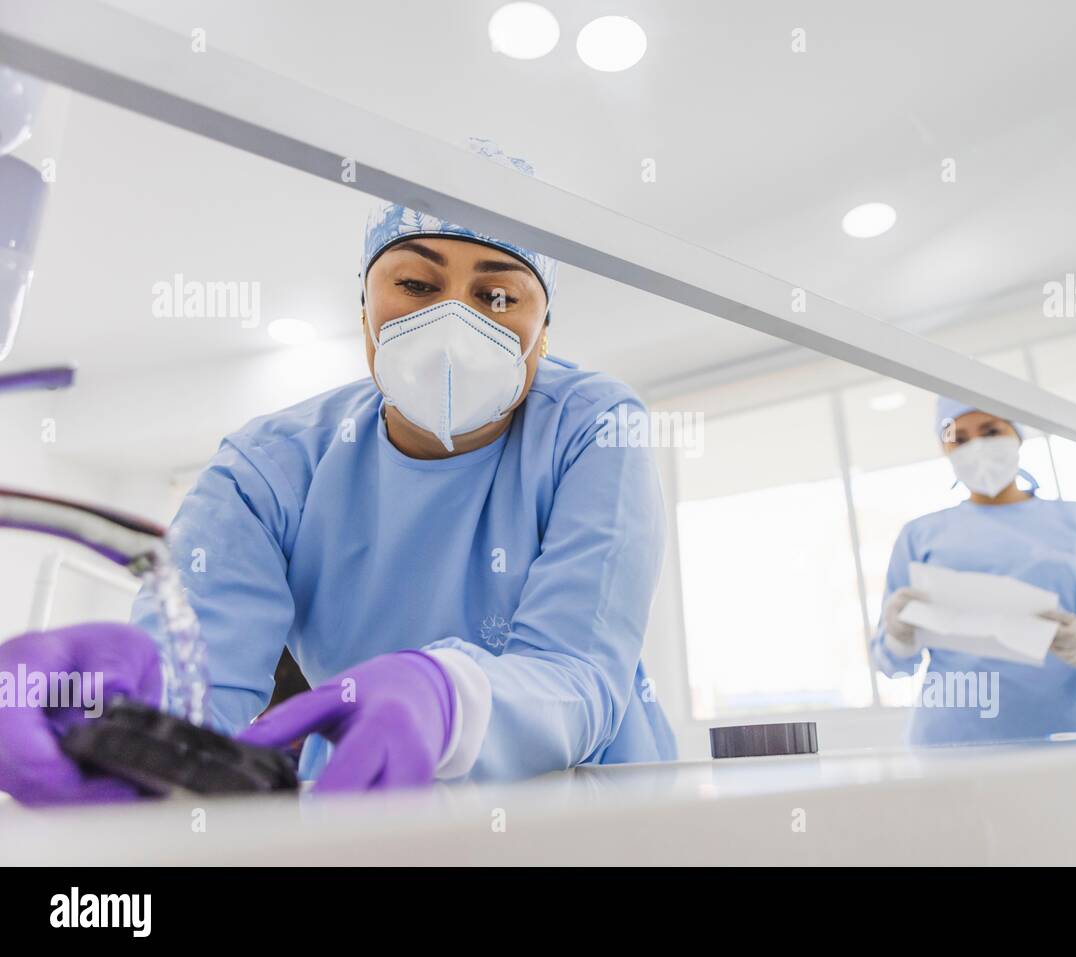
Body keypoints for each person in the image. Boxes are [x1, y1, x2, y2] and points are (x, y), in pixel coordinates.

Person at [0, 140, 676, 804]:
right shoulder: (268, 470)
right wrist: (107, 714)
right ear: (364, 308)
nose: (455, 320)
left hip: (590, 800)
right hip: (363, 788)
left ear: (545, 330)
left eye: (498, 296)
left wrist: (448, 695)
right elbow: (197, 687)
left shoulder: (593, 426)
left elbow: (578, 671)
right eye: (416, 283)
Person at [871, 396, 1076, 745]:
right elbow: (892, 665)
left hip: (1071, 741)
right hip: (949, 747)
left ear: (1016, 434)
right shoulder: (919, 535)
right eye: (958, 439)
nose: (976, 447)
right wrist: (899, 640)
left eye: (991, 431)